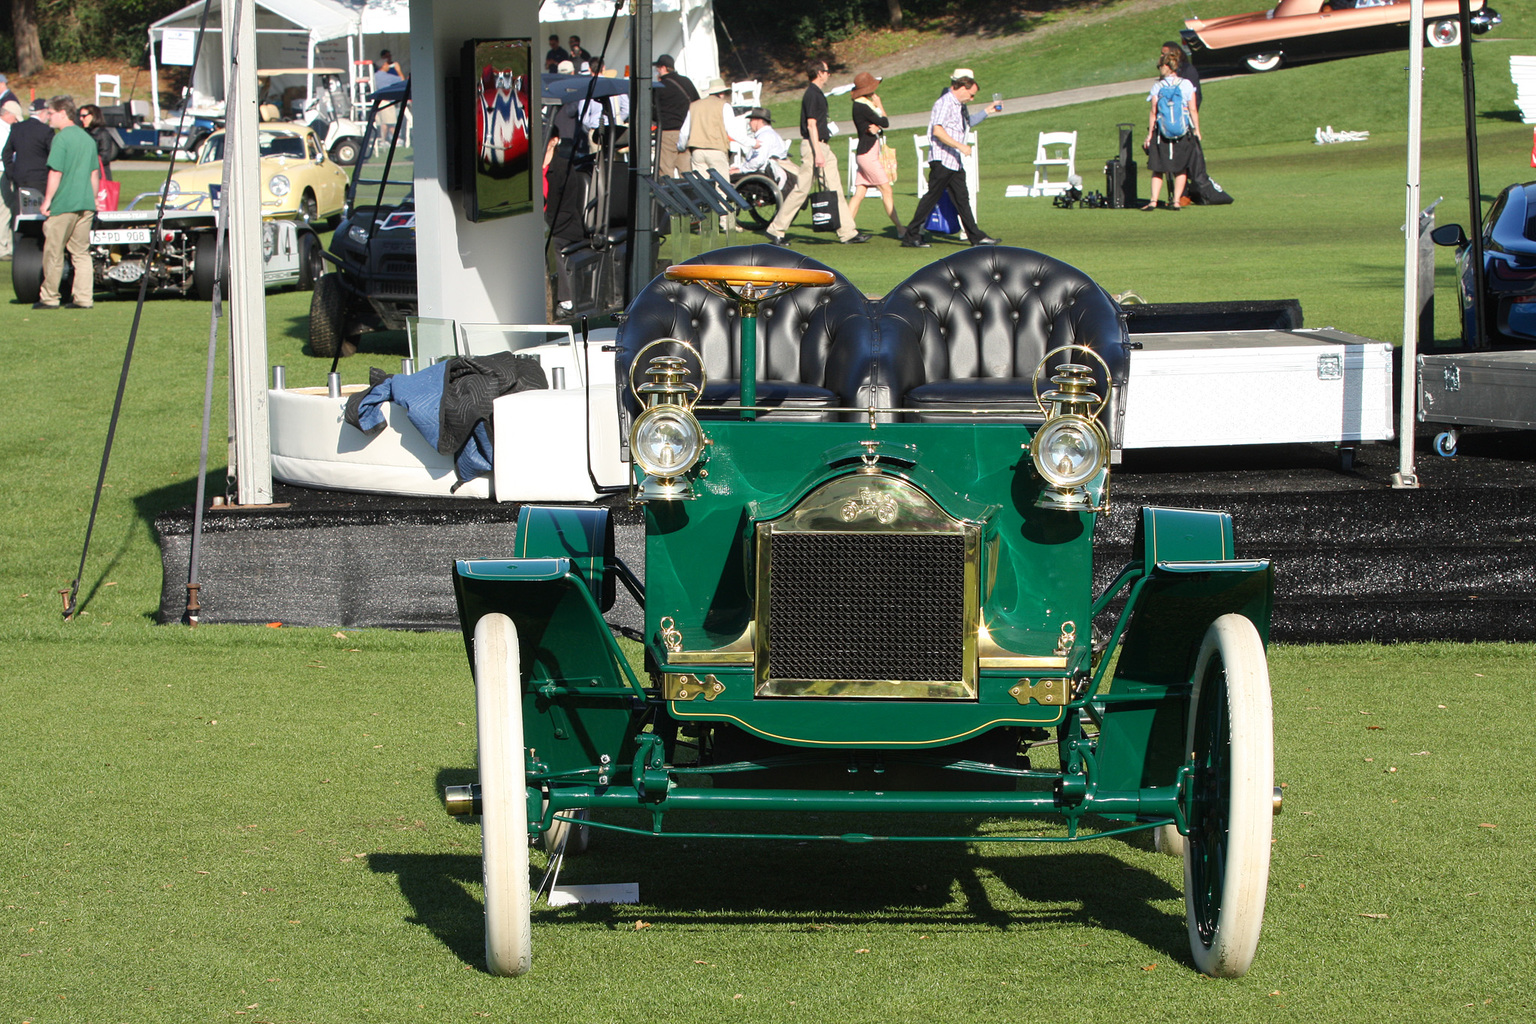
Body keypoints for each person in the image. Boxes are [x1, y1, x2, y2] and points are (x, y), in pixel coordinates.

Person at [765, 60, 868, 246]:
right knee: (802, 189)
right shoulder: (812, 94)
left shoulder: (817, 94)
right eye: (827, 71)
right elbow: (811, 125)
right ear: (819, 73)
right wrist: (818, 152)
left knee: (834, 188)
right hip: (814, 146)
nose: (829, 75)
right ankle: (776, 230)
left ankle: (848, 232)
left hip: (821, 146)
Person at [901, 68, 1001, 249]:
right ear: (962, 87)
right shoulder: (945, 102)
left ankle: (976, 236)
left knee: (962, 198)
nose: (972, 99)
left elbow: (967, 123)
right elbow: (937, 131)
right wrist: (961, 146)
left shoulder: (959, 105)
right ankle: (912, 235)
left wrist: (987, 111)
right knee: (932, 197)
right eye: (971, 95)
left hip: (953, 160)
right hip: (942, 158)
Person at [36, 96, 98, 310]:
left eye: (50, 113)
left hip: (64, 203)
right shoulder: (88, 139)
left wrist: (47, 200)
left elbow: (56, 172)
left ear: (63, 113)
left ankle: (50, 297)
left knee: (54, 251)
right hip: (86, 203)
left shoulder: (61, 139)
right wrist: (93, 200)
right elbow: (94, 174)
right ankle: (84, 298)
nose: (48, 117)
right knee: (81, 253)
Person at [681, 78, 751, 231]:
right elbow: (732, 131)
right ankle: (726, 224)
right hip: (716, 150)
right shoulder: (723, 106)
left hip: (697, 151)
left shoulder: (694, 106)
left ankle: (704, 223)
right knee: (722, 188)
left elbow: (684, 132)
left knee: (702, 189)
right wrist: (751, 143)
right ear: (721, 93)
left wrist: (680, 146)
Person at [846, 71, 903, 236]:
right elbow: (885, 121)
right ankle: (900, 228)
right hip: (868, 155)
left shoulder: (859, 105)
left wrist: (876, 127)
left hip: (864, 153)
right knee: (886, 190)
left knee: (860, 193)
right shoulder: (863, 106)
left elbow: (877, 125)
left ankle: (846, 228)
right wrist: (880, 105)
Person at [1141, 51, 1200, 211]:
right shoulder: (1186, 84)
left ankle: (1153, 201)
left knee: (1158, 168)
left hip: (1162, 133)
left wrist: (1150, 134)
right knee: (1181, 168)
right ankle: (1176, 201)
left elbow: (1154, 112)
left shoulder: (1158, 87)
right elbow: (1192, 109)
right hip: (1182, 132)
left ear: (1165, 67)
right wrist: (1197, 130)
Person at [5, 99, 55, 219]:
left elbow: (6, 153)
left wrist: (12, 173)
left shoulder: (17, 128)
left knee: (20, 214)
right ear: (43, 113)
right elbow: (53, 156)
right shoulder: (46, 131)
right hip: (40, 180)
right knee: (39, 216)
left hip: (20, 179)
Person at [652, 54, 698, 178]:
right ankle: (689, 196)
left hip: (667, 132)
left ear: (663, 68)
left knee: (665, 170)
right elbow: (696, 103)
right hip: (686, 131)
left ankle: (667, 197)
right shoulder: (686, 82)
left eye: (657, 68)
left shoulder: (659, 86)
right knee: (686, 171)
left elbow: (652, 111)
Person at [732, 107, 794, 189]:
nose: (749, 123)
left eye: (751, 120)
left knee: (726, 177)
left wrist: (741, 170)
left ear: (758, 121)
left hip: (763, 175)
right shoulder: (771, 134)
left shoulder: (764, 136)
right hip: (769, 173)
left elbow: (758, 161)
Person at [78, 103, 120, 180]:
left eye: (84, 116)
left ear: (94, 116)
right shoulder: (84, 133)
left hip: (100, 176)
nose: (81, 119)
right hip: (85, 175)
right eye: (80, 116)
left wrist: (86, 162)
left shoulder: (102, 134)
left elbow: (105, 157)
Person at [0, 100, 20, 257]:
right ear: (7, 114)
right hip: (2, 171)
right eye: (15, 117)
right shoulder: (3, 129)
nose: (16, 120)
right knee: (5, 209)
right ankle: (3, 248)